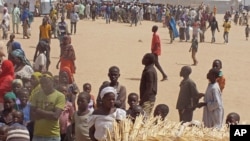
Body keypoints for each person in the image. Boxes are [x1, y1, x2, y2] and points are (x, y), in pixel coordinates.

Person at [30, 74, 65, 141]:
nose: (44, 85)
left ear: (52, 82)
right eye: (42, 83)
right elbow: (32, 116)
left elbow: (55, 116)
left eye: (46, 83)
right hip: (37, 135)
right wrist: (49, 114)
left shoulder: (60, 96)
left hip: (52, 135)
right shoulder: (36, 95)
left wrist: (39, 111)